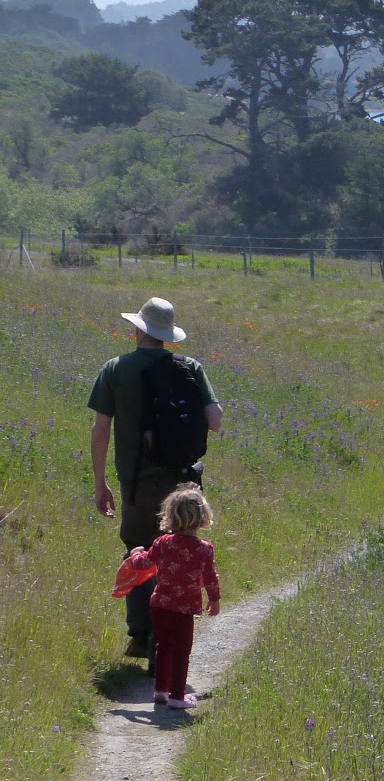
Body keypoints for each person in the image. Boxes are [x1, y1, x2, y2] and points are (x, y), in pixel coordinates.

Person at [88, 296, 222, 659]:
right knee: (177, 557)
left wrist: (100, 485)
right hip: (182, 485)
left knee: (139, 553)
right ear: (167, 335)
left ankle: (140, 635)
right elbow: (215, 420)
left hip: (136, 482)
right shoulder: (190, 367)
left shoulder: (116, 368)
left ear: (137, 330)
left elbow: (101, 430)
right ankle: (167, 639)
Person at [122, 485, 221, 708]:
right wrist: (214, 599)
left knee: (163, 647)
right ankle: (177, 696)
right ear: (203, 517)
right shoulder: (204, 549)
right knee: (181, 651)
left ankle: (160, 690)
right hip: (184, 608)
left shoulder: (163, 543)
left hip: (160, 605)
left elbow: (144, 562)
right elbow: (210, 578)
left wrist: (133, 554)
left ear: (170, 515)